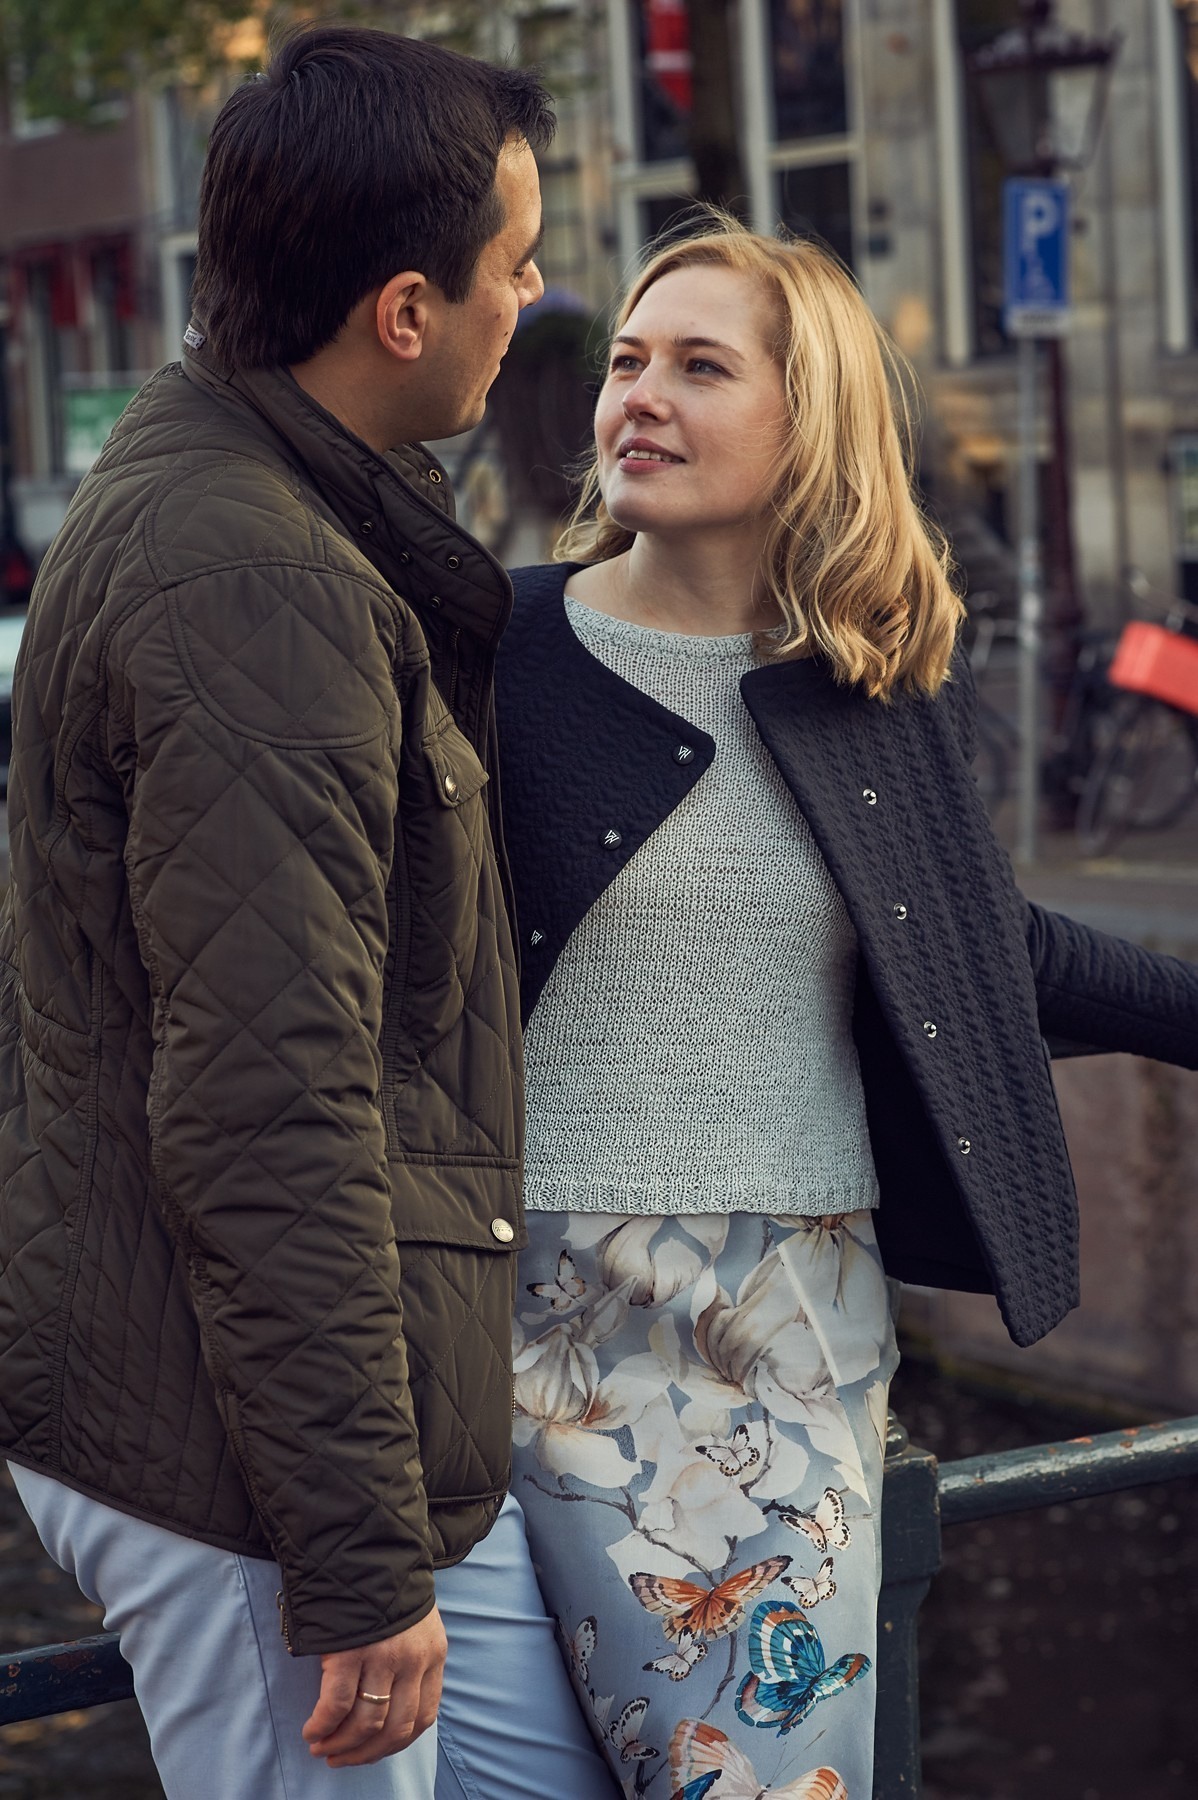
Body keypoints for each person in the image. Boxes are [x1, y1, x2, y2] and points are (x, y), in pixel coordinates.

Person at [493, 218, 1198, 1797]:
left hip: (788, 1323)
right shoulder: (499, 648)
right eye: (624, 364)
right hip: (513, 1319)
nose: (637, 399)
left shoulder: (869, 684)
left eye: (698, 367)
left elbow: (980, 954)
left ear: (806, 419)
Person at [0, 26, 615, 1800]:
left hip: (288, 1404)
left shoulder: (242, 483)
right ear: (404, 311)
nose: (537, 298)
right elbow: (268, 1108)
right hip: (232, 1454)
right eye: (514, 267)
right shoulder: (254, 581)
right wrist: (351, 1557)